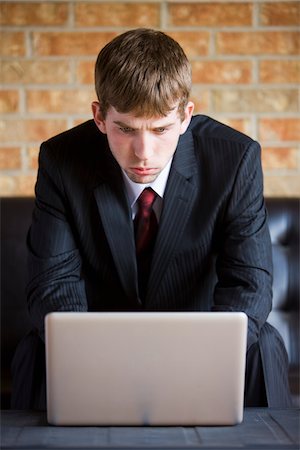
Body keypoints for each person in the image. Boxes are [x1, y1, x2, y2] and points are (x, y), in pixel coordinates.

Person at [11, 28, 292, 410]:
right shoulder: (61, 161)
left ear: (185, 117)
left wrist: (194, 366)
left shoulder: (235, 160)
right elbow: (53, 287)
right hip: (97, 346)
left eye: (160, 129)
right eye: (125, 129)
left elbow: (250, 285)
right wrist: (103, 365)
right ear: (98, 117)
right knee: (34, 348)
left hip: (202, 344)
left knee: (265, 343)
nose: (143, 153)